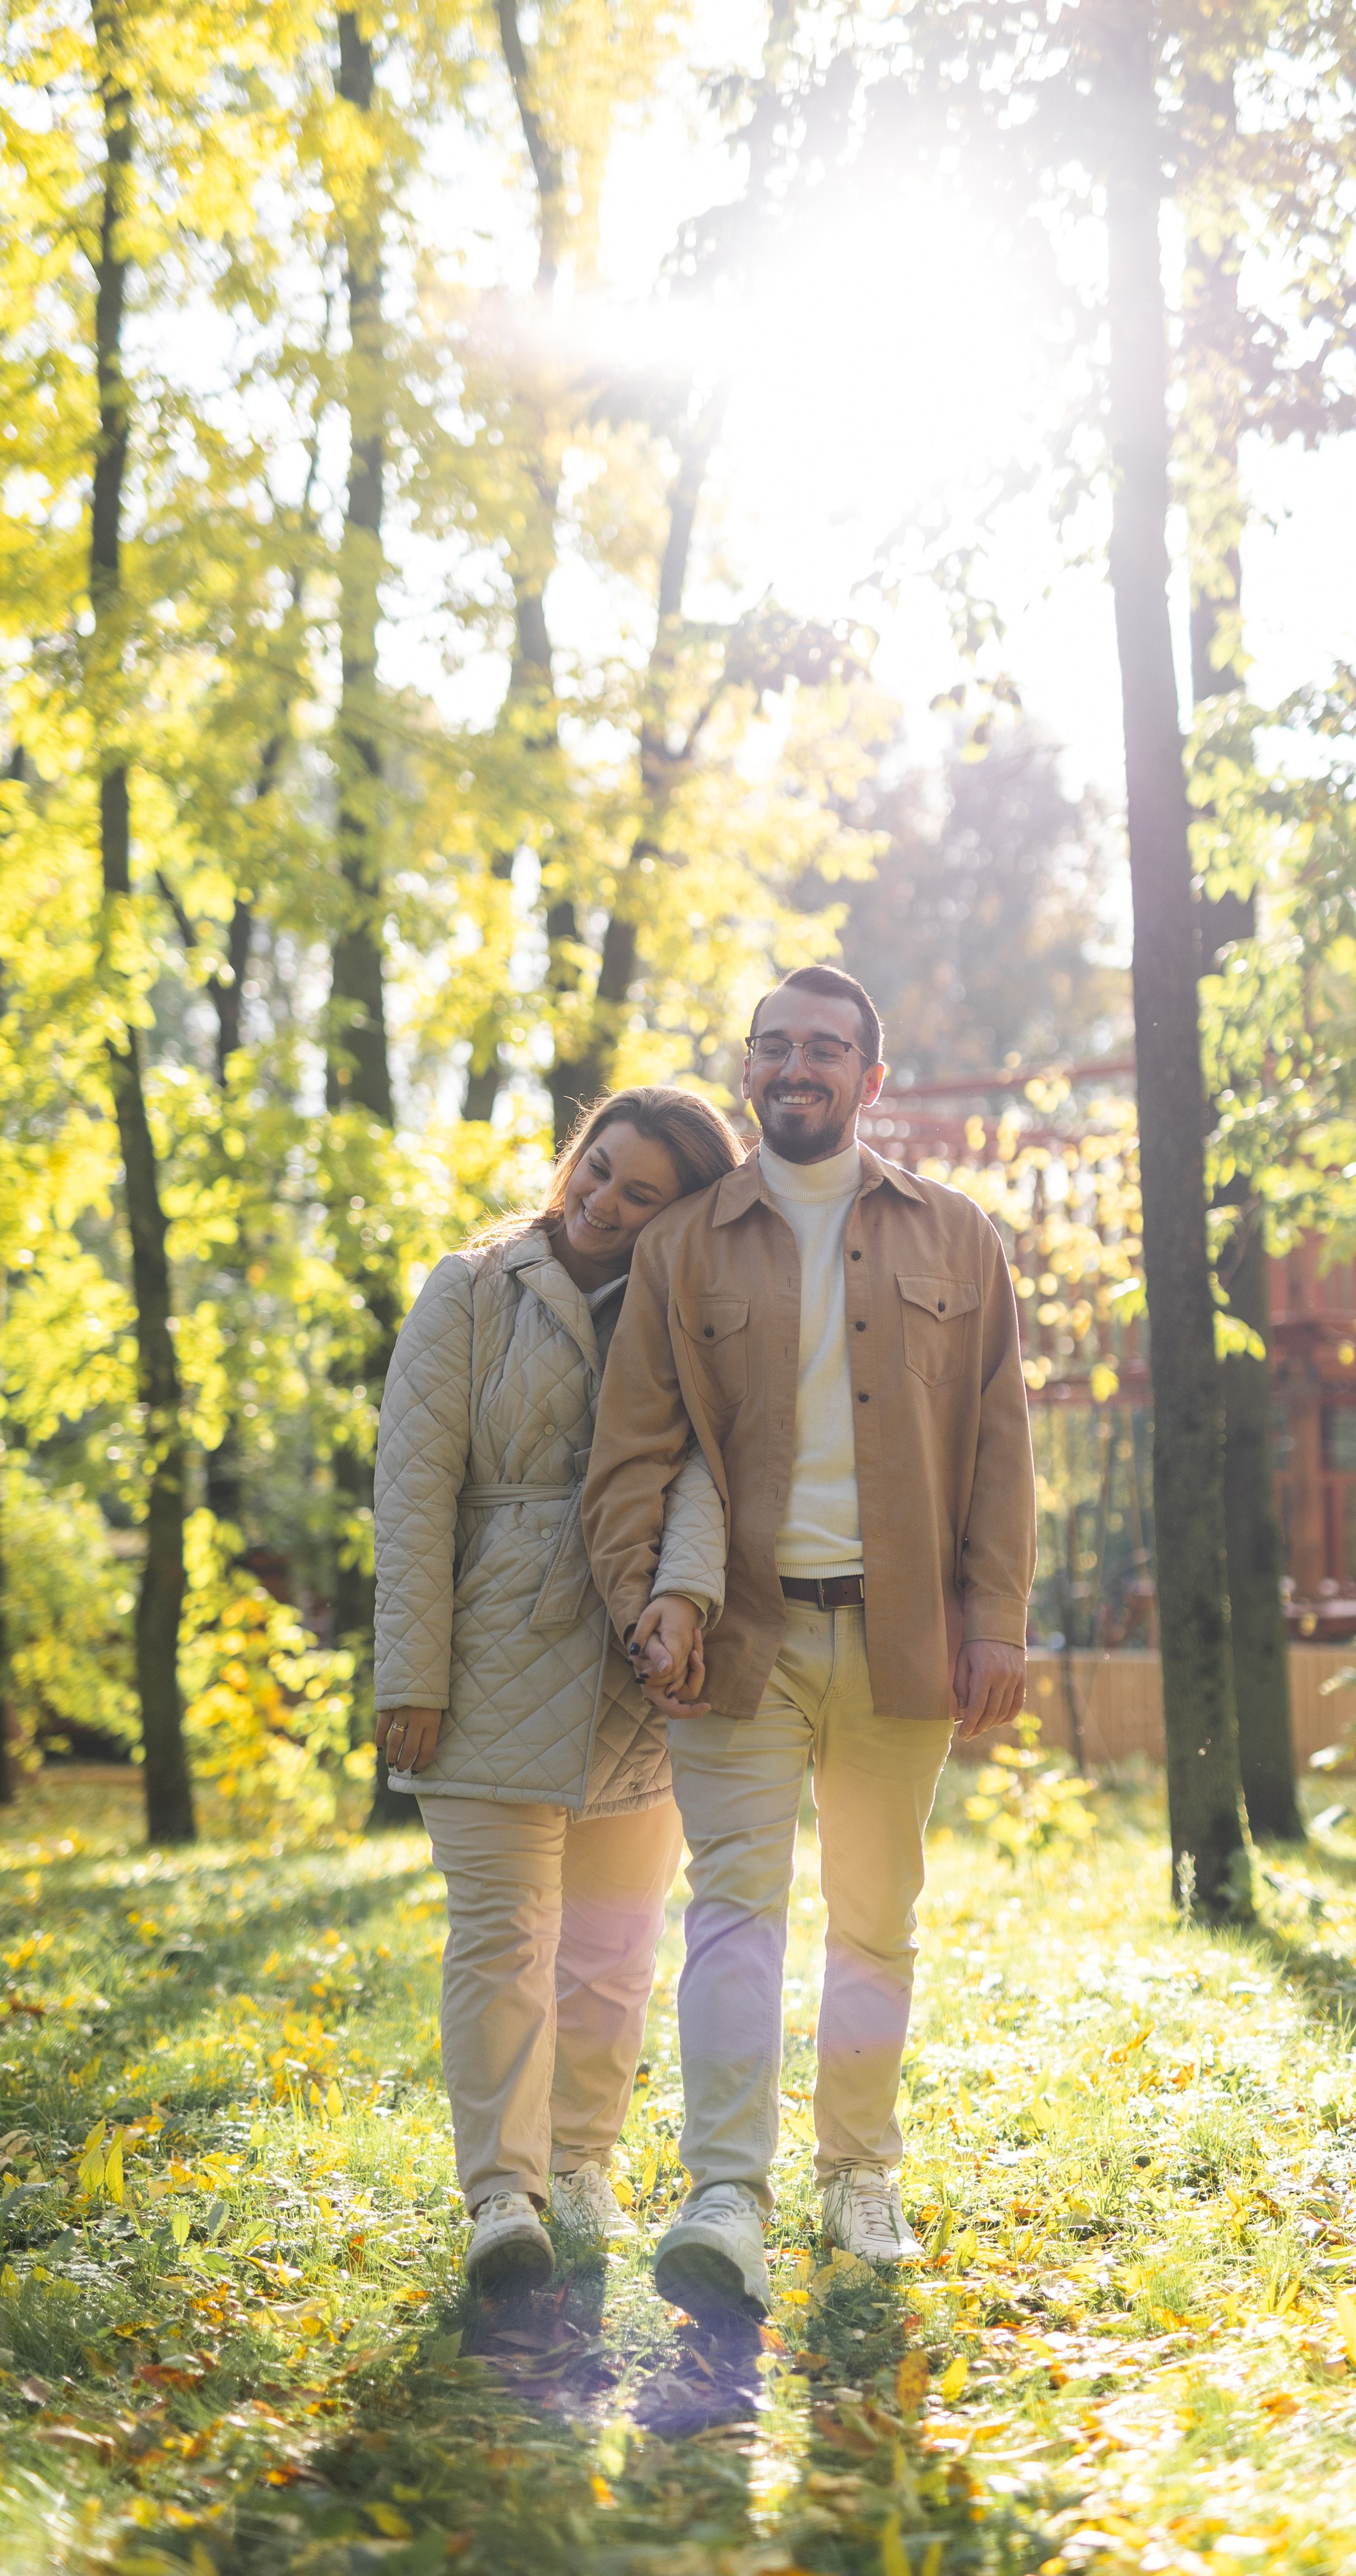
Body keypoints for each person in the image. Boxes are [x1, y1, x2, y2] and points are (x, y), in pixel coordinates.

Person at [583, 965, 1037, 2326]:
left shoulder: (957, 1238)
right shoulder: (681, 1249)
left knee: (872, 1922)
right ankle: (726, 2191)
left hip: (901, 1639)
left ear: (868, 1078)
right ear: (746, 1069)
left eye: (824, 1047)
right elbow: (629, 1456)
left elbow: (1002, 1449)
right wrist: (639, 1597)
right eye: (774, 1044)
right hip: (739, 1637)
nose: (797, 1065)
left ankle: (857, 2172)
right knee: (731, 1910)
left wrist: (996, 1614)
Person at [372, 1087, 744, 2297]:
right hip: (486, 1650)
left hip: (634, 1664)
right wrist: (409, 1673)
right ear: (574, 1157)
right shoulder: (473, 1286)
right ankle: (503, 2194)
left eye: (642, 1194)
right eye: (599, 1169)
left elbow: (702, 1473)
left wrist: (682, 1598)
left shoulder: (686, 1312)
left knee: (609, 1947)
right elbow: (415, 1490)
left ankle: (582, 2160)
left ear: (679, 1214)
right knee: (502, 1937)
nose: (603, 1201)